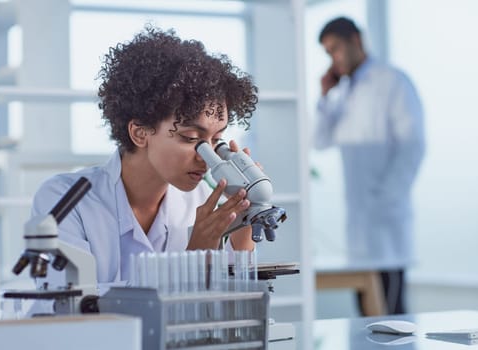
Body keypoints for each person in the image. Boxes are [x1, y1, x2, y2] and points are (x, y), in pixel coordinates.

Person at [31, 26, 258, 286]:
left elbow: (227, 308)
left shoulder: (201, 202)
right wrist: (194, 255)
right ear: (140, 133)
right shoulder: (64, 201)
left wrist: (243, 233)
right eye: (191, 138)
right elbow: (73, 312)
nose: (206, 158)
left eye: (216, 140)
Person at [314, 17, 425, 314]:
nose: (333, 58)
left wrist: (385, 200)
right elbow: (319, 140)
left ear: (356, 41)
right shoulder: (345, 92)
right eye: (328, 53)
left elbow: (412, 147)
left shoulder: (393, 81)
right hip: (360, 226)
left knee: (392, 315)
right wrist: (325, 95)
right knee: (367, 319)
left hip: (386, 222)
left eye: (335, 49)